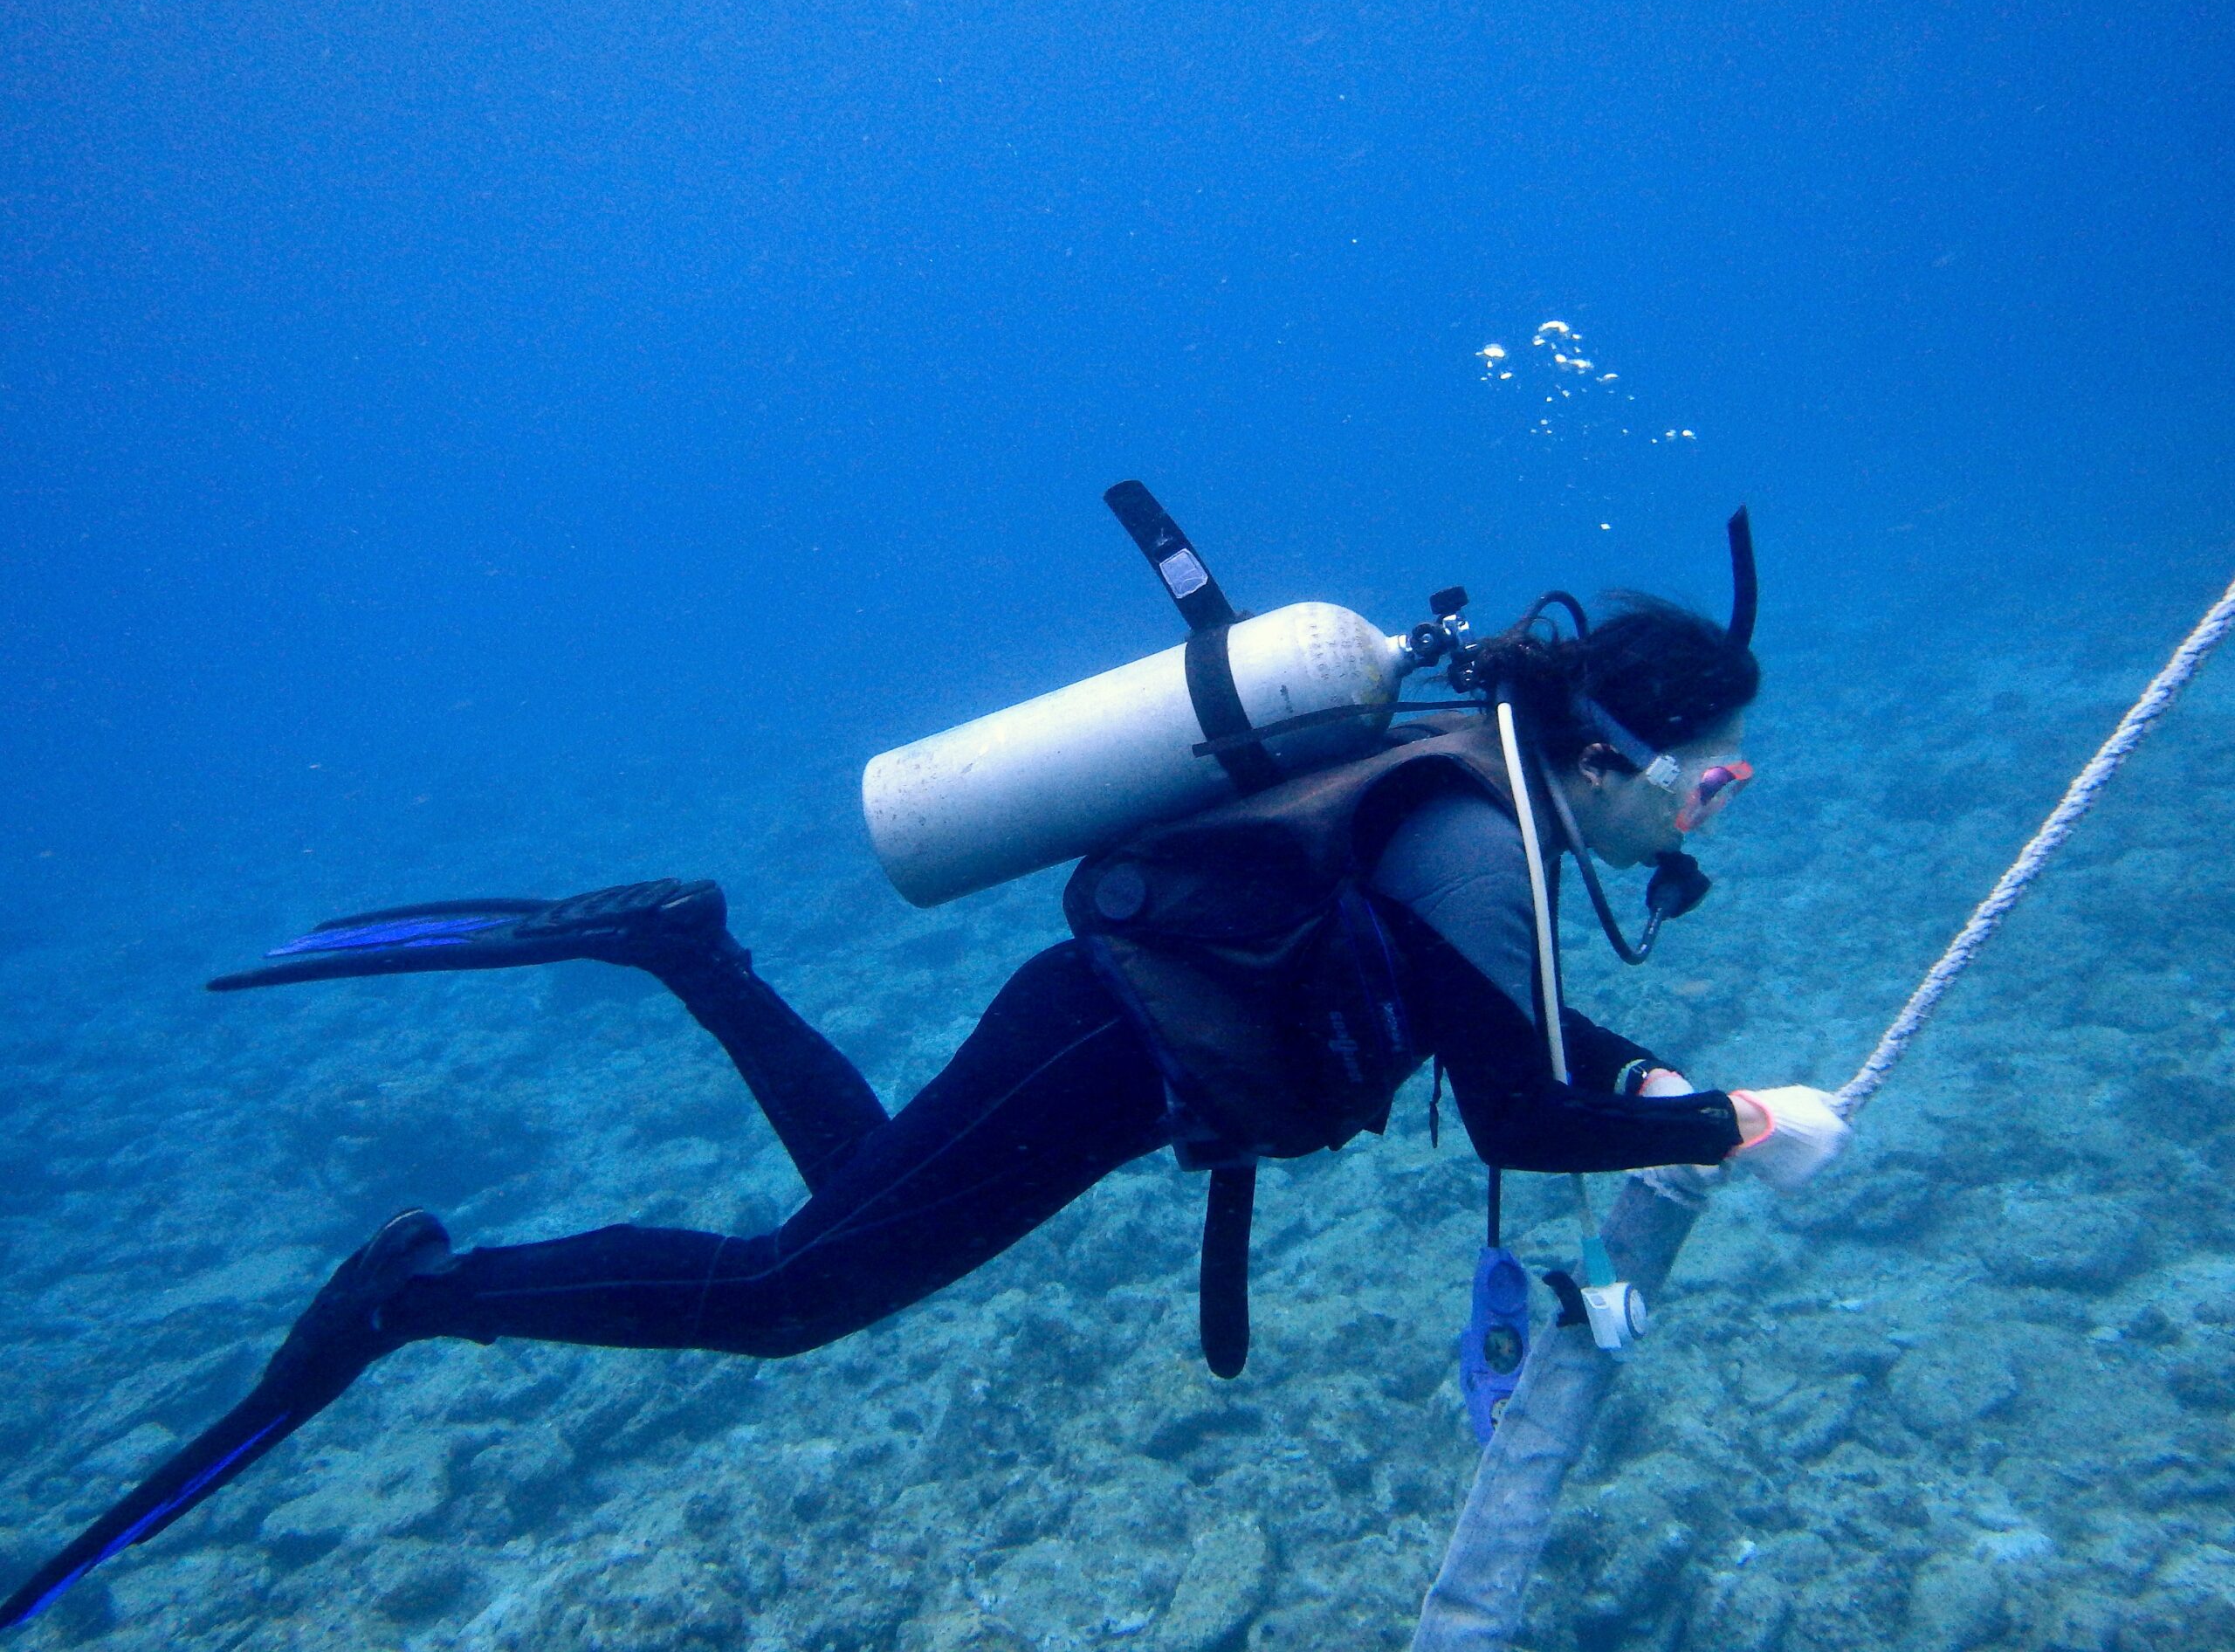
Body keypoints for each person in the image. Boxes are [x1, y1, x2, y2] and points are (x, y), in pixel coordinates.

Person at [0, 591, 1848, 1630]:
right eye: (1711, 776)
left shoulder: (1473, 811)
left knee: (845, 1224)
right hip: (1102, 1042)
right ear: (1612, 745)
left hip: (1119, 1058)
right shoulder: (1468, 827)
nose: (1712, 809)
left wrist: (1650, 1078)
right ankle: (410, 1293)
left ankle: (689, 948)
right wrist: (1728, 1122)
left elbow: (1502, 1020)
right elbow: (1520, 1112)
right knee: (796, 1291)